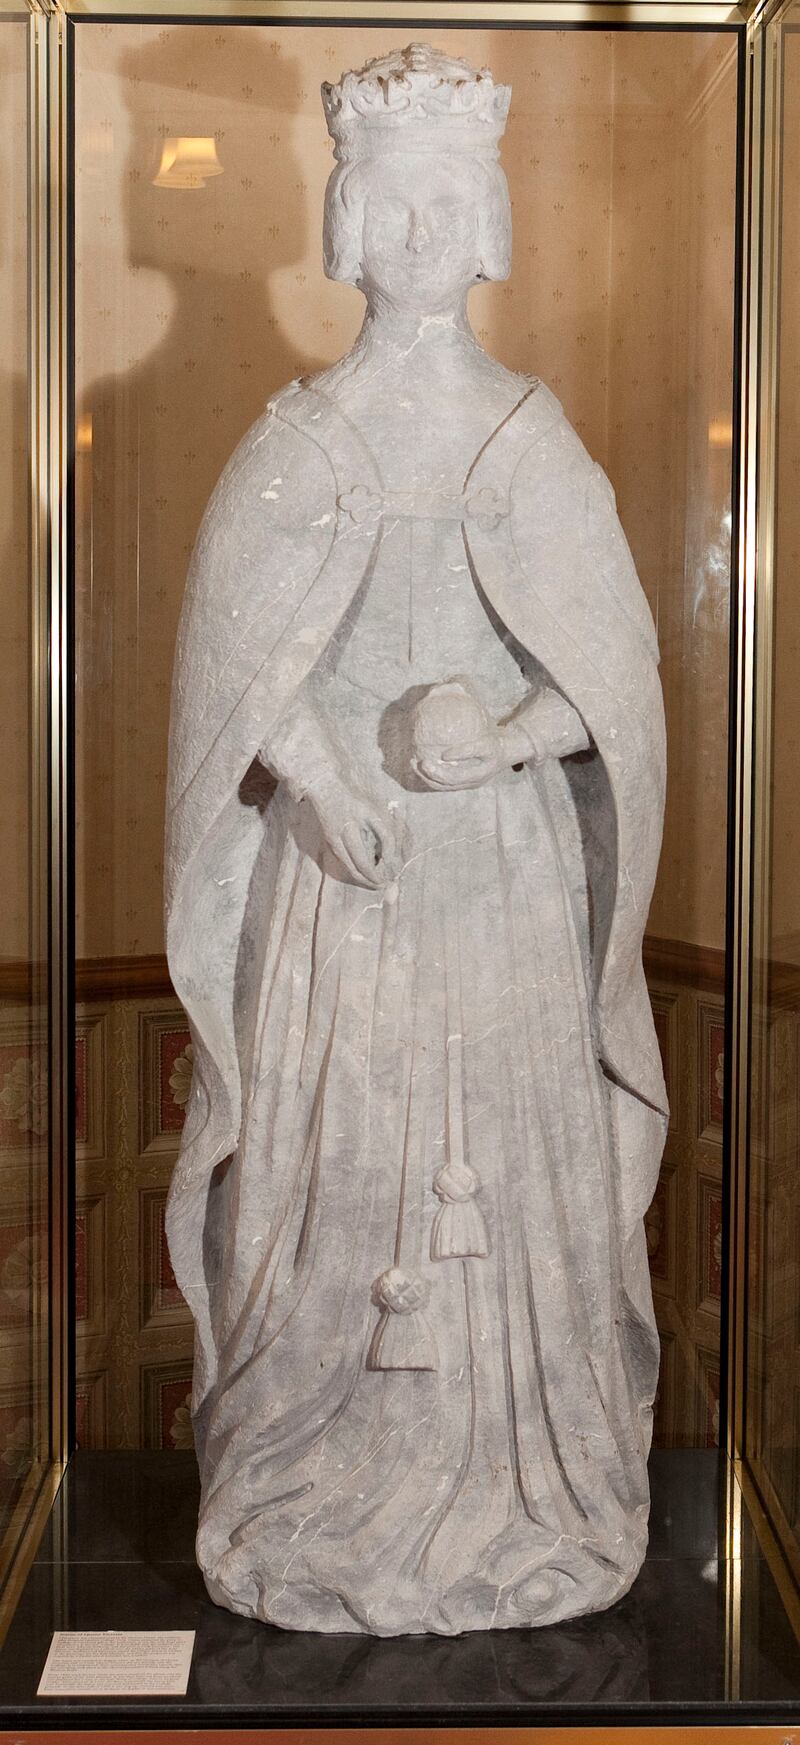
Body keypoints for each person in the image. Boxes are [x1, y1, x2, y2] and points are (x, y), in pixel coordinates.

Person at [165, 42, 668, 1636]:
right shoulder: (299, 444)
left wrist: (510, 732)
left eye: (451, 205)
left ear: (491, 223)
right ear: (347, 224)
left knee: (509, 1187)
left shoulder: (530, 438)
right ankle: (309, 1481)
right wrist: (317, 771)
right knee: (341, 1176)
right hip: (346, 889)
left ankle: (526, 1485)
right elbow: (231, 683)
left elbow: (618, 690)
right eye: (393, 205)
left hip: (500, 892)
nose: (421, 237)